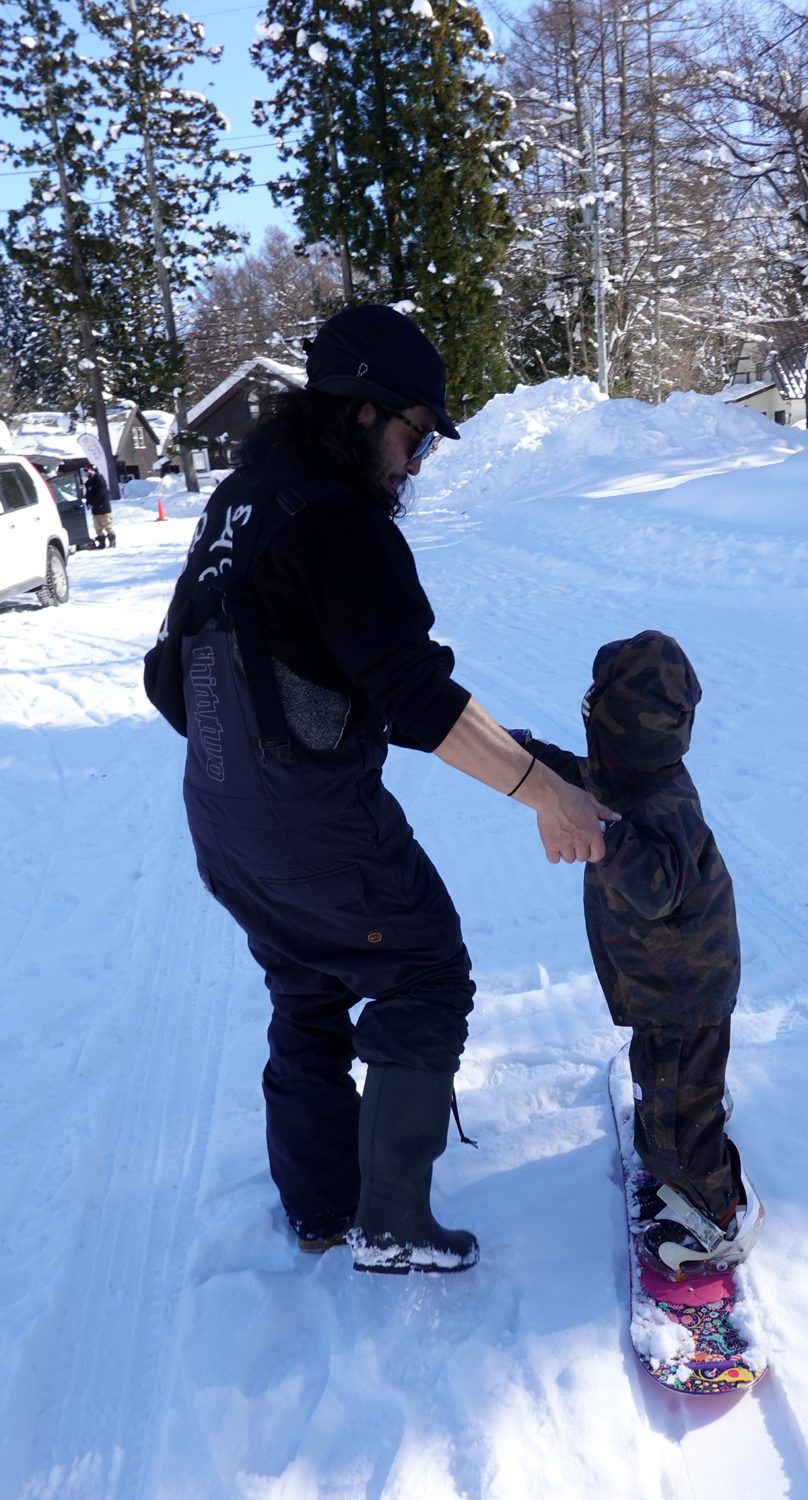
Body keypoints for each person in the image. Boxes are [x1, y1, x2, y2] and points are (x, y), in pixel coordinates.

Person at [143, 304, 613, 1276]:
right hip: (307, 820)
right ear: (361, 414)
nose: (414, 464)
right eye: (411, 436)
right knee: (424, 967)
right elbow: (412, 697)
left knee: (308, 979)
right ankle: (394, 1216)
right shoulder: (343, 522)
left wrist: (286, 737)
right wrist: (544, 794)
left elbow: (169, 678)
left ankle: (320, 1207)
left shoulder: (243, 498)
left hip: (222, 815)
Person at [509, 630, 763, 1278]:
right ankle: (675, 1124)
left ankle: (717, 1215)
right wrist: (526, 761)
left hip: (687, 990)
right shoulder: (629, 772)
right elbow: (579, 778)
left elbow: (657, 887)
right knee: (664, 1073)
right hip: (661, 987)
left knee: (683, 1110)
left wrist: (600, 842)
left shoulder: (661, 801)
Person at [84, 465, 115, 548]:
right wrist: (88, 503)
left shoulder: (99, 479)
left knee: (107, 525)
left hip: (103, 507)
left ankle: (112, 541)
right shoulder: (88, 482)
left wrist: (92, 502)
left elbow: (101, 493)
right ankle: (101, 543)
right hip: (95, 509)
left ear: (92, 470)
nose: (85, 472)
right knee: (97, 527)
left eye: (86, 470)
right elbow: (88, 494)